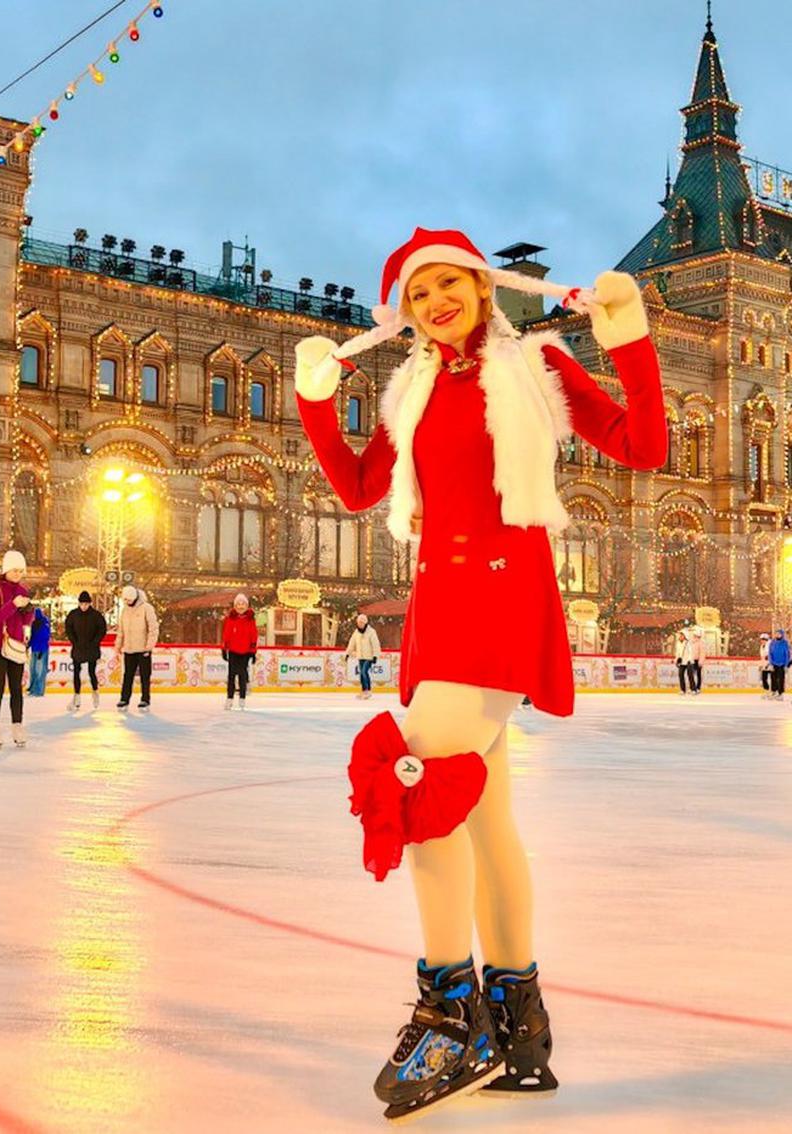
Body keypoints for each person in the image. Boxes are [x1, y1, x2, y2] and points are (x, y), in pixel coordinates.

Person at [294, 226, 666, 1120]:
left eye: (449, 283)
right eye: (418, 294)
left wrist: (628, 341)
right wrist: (315, 400)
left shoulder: (538, 365)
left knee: (420, 794)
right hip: (436, 615)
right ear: (405, 314)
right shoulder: (410, 388)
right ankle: (517, 1020)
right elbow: (354, 488)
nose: (435, 303)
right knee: (487, 820)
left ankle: (450, 1012)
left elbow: (644, 447)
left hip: (503, 601)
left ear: (483, 286)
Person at [0, 550, 34, 749]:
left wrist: (29, 613)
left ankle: (17, 725)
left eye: (21, 571)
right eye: (14, 570)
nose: (18, 574)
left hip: (16, 645)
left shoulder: (23, 589)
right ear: (6, 569)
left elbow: (24, 620)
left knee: (16, 688)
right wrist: (13, 604)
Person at [115, 585, 158, 711]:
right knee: (127, 675)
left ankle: (145, 699)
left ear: (134, 598)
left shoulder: (146, 608)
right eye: (125, 600)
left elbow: (153, 628)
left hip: (143, 649)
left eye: (128, 600)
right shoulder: (124, 610)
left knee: (145, 676)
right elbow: (121, 631)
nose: (126, 602)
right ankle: (124, 699)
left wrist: (149, 647)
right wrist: (118, 645)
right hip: (129, 648)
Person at [64, 590, 107, 711]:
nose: (84, 606)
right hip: (78, 647)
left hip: (92, 648)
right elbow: (68, 628)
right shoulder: (73, 614)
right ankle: (77, 695)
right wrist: (74, 641)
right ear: (78, 603)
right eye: (82, 604)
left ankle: (95, 692)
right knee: (76, 672)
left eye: (86, 604)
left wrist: (95, 642)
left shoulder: (96, 615)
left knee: (91, 672)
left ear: (90, 604)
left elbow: (102, 630)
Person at [221, 593, 257, 710]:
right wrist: (224, 648)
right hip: (233, 650)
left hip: (245, 651)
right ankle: (229, 699)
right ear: (235, 606)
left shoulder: (250, 619)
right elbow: (227, 634)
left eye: (243, 604)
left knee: (242, 675)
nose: (241, 606)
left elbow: (253, 635)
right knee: (231, 675)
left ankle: (242, 699)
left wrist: (253, 651)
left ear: (247, 606)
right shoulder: (230, 619)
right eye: (238, 604)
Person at [345, 612, 382, 699]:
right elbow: (352, 643)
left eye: (361, 623)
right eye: (358, 623)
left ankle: (368, 690)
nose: (359, 624)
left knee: (364, 672)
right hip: (360, 656)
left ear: (365, 623)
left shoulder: (371, 632)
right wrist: (347, 653)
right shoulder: (356, 632)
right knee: (361, 674)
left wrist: (375, 656)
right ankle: (363, 690)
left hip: (369, 657)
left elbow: (376, 644)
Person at [26, 607, 51, 697]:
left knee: (40, 671)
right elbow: (33, 637)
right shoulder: (34, 624)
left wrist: (41, 650)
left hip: (42, 650)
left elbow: (44, 638)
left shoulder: (44, 624)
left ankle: (39, 690)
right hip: (35, 649)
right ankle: (33, 688)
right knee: (33, 670)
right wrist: (28, 645)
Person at [768, 628, 790, 700]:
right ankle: (774, 691)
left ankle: (780, 693)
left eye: (779, 634)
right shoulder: (772, 642)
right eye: (776, 633)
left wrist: (786, 665)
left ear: (782, 635)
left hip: (782, 664)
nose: (777, 635)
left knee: (781, 679)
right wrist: (771, 663)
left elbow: (787, 654)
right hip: (774, 663)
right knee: (773, 678)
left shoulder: (785, 643)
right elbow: (770, 653)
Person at [675, 629, 697, 696]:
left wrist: (689, 660)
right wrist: (676, 660)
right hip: (682, 662)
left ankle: (693, 689)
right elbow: (677, 653)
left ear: (685, 636)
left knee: (690, 675)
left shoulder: (688, 643)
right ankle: (682, 690)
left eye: (682, 635)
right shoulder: (678, 643)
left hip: (688, 661)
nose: (681, 636)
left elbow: (691, 652)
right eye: (680, 634)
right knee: (680, 674)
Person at [689, 627, 705, 695]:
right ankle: (692, 687)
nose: (696, 636)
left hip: (698, 660)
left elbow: (702, 652)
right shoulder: (690, 642)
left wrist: (701, 661)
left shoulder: (701, 642)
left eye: (697, 636)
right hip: (691, 660)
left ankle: (698, 688)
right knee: (691, 674)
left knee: (698, 674)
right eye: (695, 635)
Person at [759, 632, 772, 699]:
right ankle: (766, 691)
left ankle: (772, 692)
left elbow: (769, 655)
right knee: (764, 678)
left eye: (764, 639)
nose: (762, 641)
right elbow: (762, 656)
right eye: (761, 640)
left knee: (772, 679)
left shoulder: (770, 646)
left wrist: (769, 663)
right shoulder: (762, 646)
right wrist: (761, 665)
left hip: (770, 664)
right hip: (764, 664)